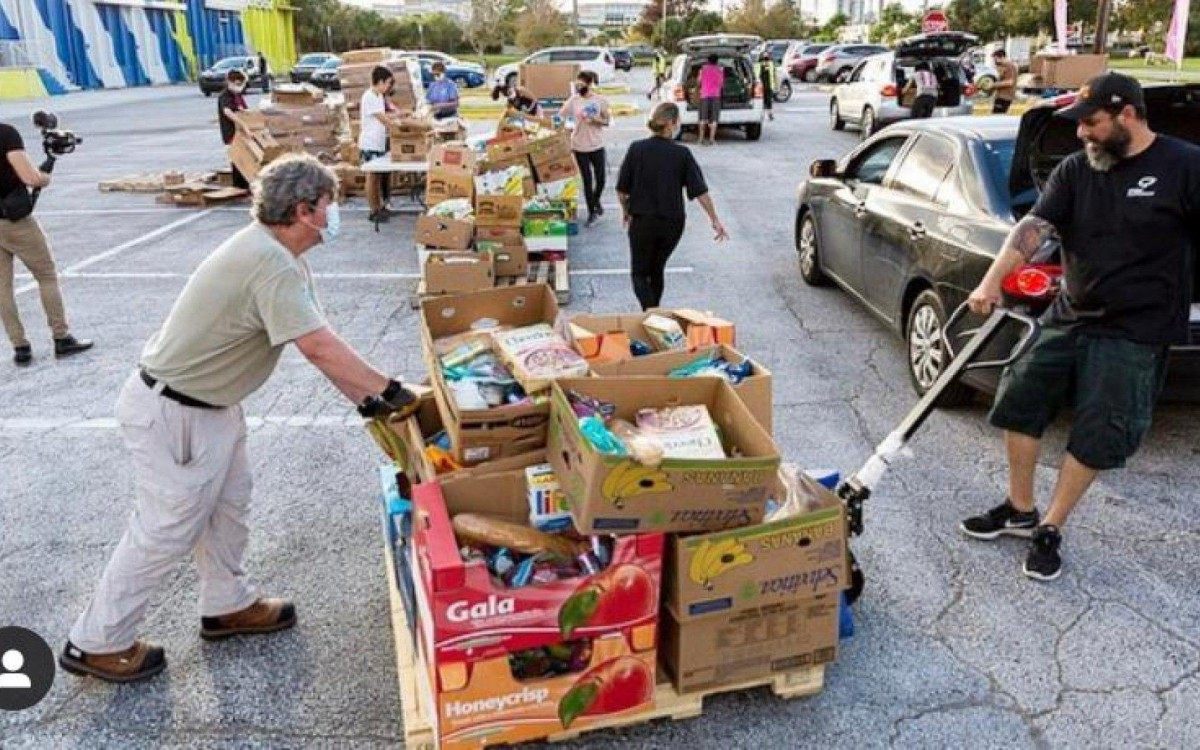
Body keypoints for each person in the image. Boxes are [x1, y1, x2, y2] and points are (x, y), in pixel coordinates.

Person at [60, 155, 422, 683]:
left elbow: (315, 339)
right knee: (166, 530)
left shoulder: (280, 255)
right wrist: (390, 390)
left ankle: (226, 603)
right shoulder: (268, 261)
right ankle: (95, 641)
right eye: (330, 203)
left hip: (210, 407)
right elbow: (319, 348)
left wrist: (370, 403)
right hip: (174, 412)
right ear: (304, 210)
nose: (335, 211)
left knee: (229, 508)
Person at [960, 73, 1200, 581]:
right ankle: (1019, 508)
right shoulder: (1076, 169)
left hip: (1136, 329)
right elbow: (1034, 229)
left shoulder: (1183, 166)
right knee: (1018, 400)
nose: (1081, 134)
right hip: (1069, 312)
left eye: (1091, 123)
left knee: (1097, 432)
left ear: (1127, 115)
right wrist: (989, 283)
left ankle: (1050, 526)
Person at [616, 103, 729, 310]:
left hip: (643, 220)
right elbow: (700, 191)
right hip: (672, 223)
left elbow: (622, 190)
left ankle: (651, 313)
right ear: (671, 123)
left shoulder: (636, 149)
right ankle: (655, 314)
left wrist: (625, 212)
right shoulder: (682, 154)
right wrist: (714, 219)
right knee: (657, 268)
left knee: (640, 273)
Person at [0, 121, 92, 366]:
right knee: (46, 275)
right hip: (15, 222)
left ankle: (20, 346)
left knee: (2, 289)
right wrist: (45, 176)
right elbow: (29, 177)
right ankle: (61, 337)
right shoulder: (5, 133)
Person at [559, 71, 610, 227]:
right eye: (577, 84)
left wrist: (595, 119)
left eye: (581, 84)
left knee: (601, 179)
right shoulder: (573, 101)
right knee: (587, 180)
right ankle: (591, 212)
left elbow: (607, 121)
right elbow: (562, 115)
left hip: (597, 145)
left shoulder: (600, 100)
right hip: (579, 146)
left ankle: (596, 201)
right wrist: (566, 128)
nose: (578, 87)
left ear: (589, 84)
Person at [359, 65, 396, 217]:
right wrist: (401, 127)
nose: (388, 87)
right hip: (370, 143)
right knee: (372, 177)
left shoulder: (379, 96)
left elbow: (386, 115)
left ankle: (380, 206)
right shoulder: (369, 96)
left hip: (378, 142)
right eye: (387, 83)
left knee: (378, 177)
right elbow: (383, 119)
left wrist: (398, 118)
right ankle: (373, 210)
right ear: (379, 81)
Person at [218, 69, 251, 189]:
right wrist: (243, 124)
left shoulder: (237, 95)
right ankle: (238, 185)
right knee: (237, 158)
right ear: (229, 82)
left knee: (244, 156)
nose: (240, 87)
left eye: (242, 84)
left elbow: (242, 109)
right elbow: (227, 111)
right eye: (237, 84)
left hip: (240, 132)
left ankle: (244, 183)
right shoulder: (225, 96)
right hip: (231, 132)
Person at [697, 54, 725, 146]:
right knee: (714, 119)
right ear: (717, 61)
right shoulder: (720, 70)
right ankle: (712, 140)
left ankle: (700, 140)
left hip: (704, 95)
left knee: (702, 118)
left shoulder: (703, 69)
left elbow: (699, 81)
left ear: (708, 60)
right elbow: (721, 84)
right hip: (716, 96)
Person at [992, 48, 1018, 114]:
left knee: (996, 117)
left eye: (995, 59)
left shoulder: (1009, 66)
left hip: (1005, 97)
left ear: (1002, 57)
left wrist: (993, 85)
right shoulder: (1004, 66)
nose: (994, 61)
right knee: (996, 116)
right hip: (1001, 96)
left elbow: (1010, 82)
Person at [756, 51, 777, 121]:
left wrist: (776, 85)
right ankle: (762, 115)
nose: (766, 56)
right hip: (761, 86)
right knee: (762, 102)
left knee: (769, 101)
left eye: (767, 55)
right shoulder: (759, 64)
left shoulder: (771, 64)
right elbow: (756, 74)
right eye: (764, 55)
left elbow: (774, 75)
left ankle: (770, 114)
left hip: (769, 86)